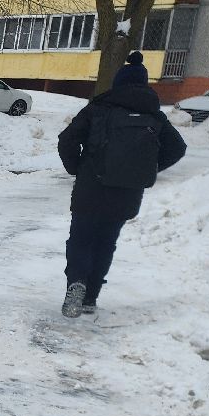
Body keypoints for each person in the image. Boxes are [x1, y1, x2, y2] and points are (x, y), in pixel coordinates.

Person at [57, 51, 185, 317]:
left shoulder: (99, 108)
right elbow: (177, 148)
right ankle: (90, 297)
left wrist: (77, 168)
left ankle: (76, 285)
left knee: (81, 239)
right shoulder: (154, 115)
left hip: (91, 188)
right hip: (127, 193)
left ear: (118, 83)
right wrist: (145, 169)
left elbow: (67, 139)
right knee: (106, 242)